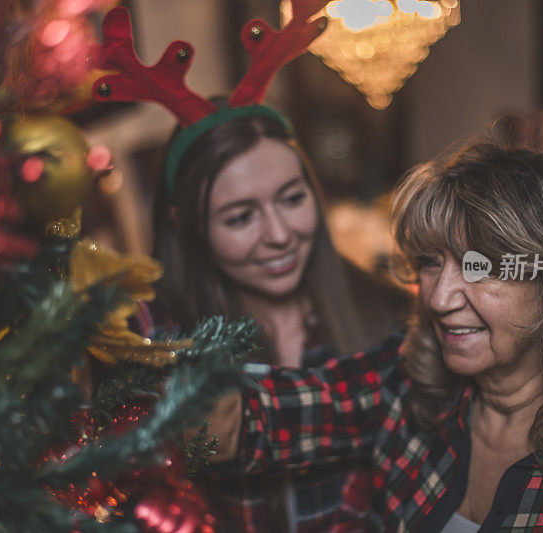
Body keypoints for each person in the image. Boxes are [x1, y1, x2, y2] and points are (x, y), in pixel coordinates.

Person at [204, 142, 543, 531]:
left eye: (481, 266)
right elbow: (253, 420)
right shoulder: (405, 382)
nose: (438, 298)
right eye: (431, 262)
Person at [136, 105, 412, 532]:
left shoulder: (391, 314)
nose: (280, 235)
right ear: (185, 225)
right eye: (241, 217)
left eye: (292, 198)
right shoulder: (155, 337)